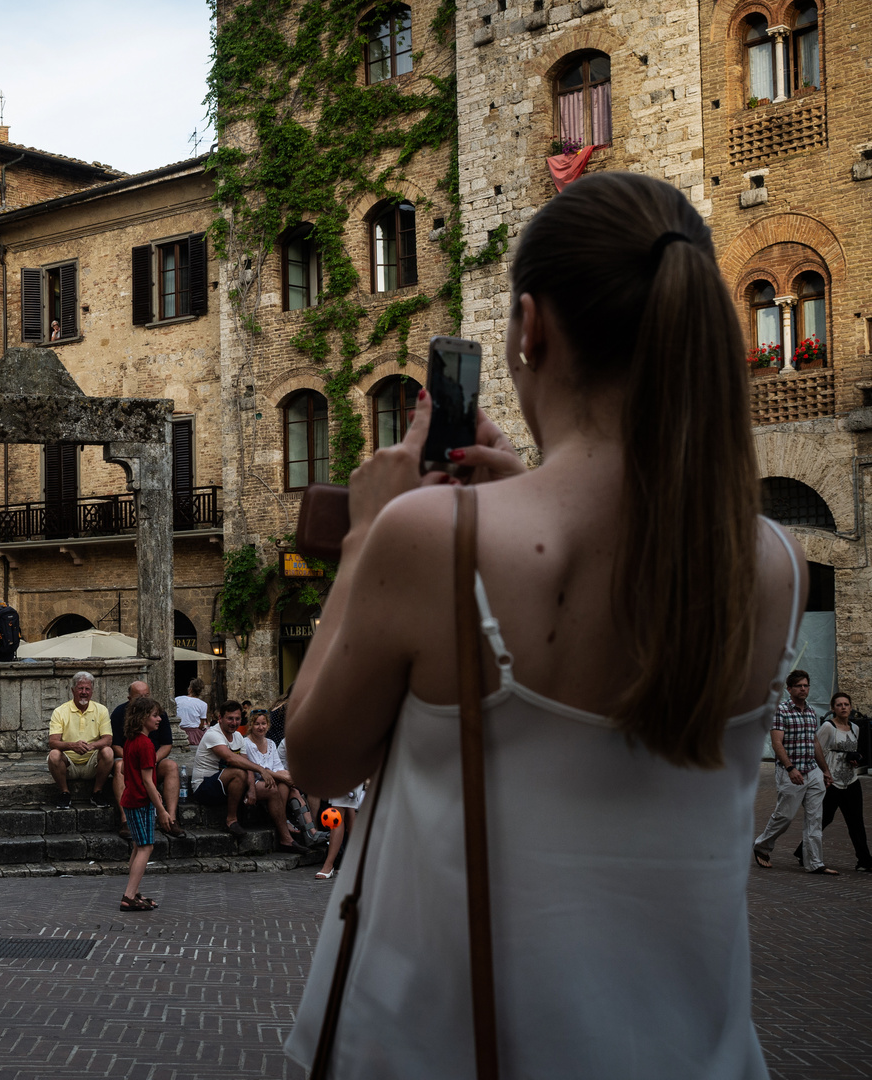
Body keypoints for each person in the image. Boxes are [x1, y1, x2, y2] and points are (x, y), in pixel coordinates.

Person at [282, 172, 808, 1076]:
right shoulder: (770, 564)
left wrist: (370, 533)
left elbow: (315, 760)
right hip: (697, 1052)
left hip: (434, 1049)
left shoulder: (428, 539)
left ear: (531, 330)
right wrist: (522, 488)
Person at [754, 669, 836, 873]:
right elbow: (776, 743)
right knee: (785, 816)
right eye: (799, 686)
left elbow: (814, 742)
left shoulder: (811, 712)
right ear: (789, 689)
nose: (803, 689)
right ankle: (762, 846)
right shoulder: (780, 710)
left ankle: (815, 863)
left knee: (815, 819)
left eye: (806, 685)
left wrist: (825, 770)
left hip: (813, 772)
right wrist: (790, 768)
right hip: (790, 772)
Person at [793, 691, 872, 872]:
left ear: (851, 707)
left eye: (846, 704)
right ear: (833, 708)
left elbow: (853, 750)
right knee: (824, 818)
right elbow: (816, 749)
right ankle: (802, 851)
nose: (843, 707)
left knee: (856, 822)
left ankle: (865, 860)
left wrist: (855, 758)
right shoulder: (828, 727)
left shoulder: (855, 728)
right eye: (839, 705)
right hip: (831, 781)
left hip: (851, 780)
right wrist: (821, 774)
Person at [119, 695, 173, 912]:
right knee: (146, 846)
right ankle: (129, 895)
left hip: (131, 798)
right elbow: (148, 781)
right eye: (154, 715)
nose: (159, 719)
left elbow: (124, 769)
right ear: (143, 718)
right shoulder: (146, 744)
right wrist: (162, 810)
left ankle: (133, 891)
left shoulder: (130, 741)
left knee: (138, 846)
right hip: (140, 800)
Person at [111, 679, 184, 840]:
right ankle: (125, 820)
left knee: (171, 766)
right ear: (130, 699)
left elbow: (167, 744)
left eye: (147, 695)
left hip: (152, 759)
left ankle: (171, 819)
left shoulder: (158, 714)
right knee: (118, 767)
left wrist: (151, 760)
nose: (145, 699)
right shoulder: (119, 713)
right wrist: (135, 760)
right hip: (131, 761)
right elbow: (115, 745)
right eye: (139, 696)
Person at [190, 701, 276, 836]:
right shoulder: (213, 734)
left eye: (237, 719)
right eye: (230, 718)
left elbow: (245, 762)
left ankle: (285, 834)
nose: (234, 722)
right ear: (220, 718)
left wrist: (252, 790)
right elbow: (231, 759)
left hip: (227, 786)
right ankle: (231, 820)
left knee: (273, 788)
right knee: (238, 772)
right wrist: (261, 769)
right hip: (204, 787)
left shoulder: (238, 737)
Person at [242, 709, 314, 854]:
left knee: (289, 787)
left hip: (272, 780)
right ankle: (287, 826)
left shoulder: (271, 743)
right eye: (257, 724)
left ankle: (310, 831)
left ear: (268, 725)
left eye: (263, 723)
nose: (261, 727)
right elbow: (257, 769)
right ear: (251, 725)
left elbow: (278, 768)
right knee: (283, 784)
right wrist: (285, 777)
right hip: (254, 782)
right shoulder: (246, 743)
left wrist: (287, 777)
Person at [47, 671, 114, 810]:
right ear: (73, 690)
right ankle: (64, 793)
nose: (84, 692)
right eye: (80, 688)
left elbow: (108, 739)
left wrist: (92, 746)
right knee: (54, 754)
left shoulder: (101, 710)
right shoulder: (60, 711)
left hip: (92, 763)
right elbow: (53, 742)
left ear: (92, 691)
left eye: (87, 689)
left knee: (108, 752)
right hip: (68, 764)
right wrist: (72, 745)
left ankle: (97, 792)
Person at [314, 784, 365, 881]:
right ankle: (356, 862)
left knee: (338, 812)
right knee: (348, 810)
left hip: (346, 773)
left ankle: (328, 865)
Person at [174, 677, 208, 747]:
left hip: (178, 730)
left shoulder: (177, 699)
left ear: (190, 689)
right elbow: (201, 725)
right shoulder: (203, 704)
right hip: (194, 733)